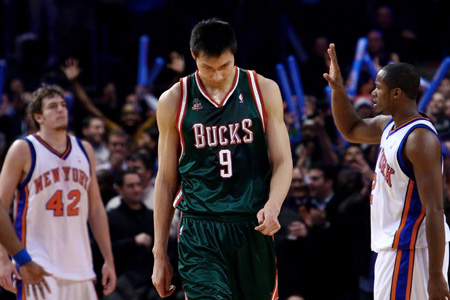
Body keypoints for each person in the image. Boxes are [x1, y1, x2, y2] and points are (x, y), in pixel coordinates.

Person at [151, 18, 293, 300]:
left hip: (251, 224)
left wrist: (274, 205)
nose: (216, 75)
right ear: (193, 57)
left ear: (234, 54)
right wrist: (158, 253)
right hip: (199, 229)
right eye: (207, 67)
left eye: (224, 66)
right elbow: (166, 180)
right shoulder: (173, 100)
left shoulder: (262, 89)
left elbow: (282, 161)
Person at [324, 43, 450, 299]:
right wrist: (338, 90)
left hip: (412, 250)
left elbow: (435, 209)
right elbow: (350, 129)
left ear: (396, 93)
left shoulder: (419, 139)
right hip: (394, 249)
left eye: (378, 88)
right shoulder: (390, 126)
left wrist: (436, 275)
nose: (372, 93)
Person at [0, 85, 116, 299]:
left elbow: (97, 209)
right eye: (52, 106)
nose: (61, 110)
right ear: (38, 117)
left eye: (63, 105)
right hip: (37, 266)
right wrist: (4, 259)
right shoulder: (23, 149)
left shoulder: (84, 149)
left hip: (81, 267)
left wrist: (109, 260)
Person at [105, 169, 156, 300]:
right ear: (120, 189)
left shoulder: (153, 216)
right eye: (131, 186)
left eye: (138, 185)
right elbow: (104, 250)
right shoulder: (111, 218)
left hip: (151, 280)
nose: (136, 189)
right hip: (122, 279)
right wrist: (133, 241)